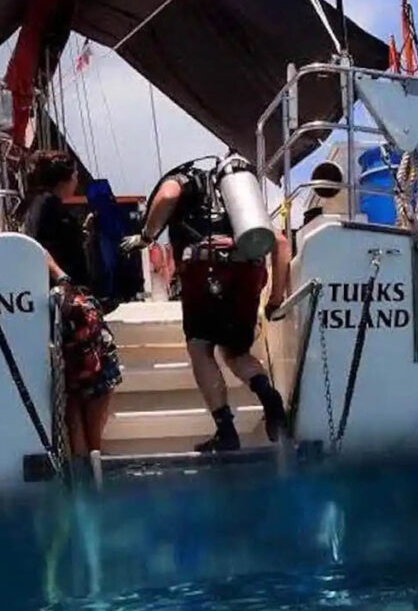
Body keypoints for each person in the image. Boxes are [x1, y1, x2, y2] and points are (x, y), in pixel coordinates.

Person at [121, 155, 292, 452]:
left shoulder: (187, 180)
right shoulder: (243, 204)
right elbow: (280, 243)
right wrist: (276, 298)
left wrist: (146, 236)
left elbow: (167, 196)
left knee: (201, 347)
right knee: (236, 352)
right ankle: (269, 397)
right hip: (248, 272)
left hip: (206, 269)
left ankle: (226, 431)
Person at [22, 150, 122, 457]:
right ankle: (92, 450)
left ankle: (85, 456)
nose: (78, 179)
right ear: (65, 178)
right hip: (72, 304)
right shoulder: (46, 205)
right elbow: (35, 247)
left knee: (78, 388)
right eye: (76, 175)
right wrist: (62, 277)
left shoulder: (43, 205)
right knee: (102, 375)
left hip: (69, 300)